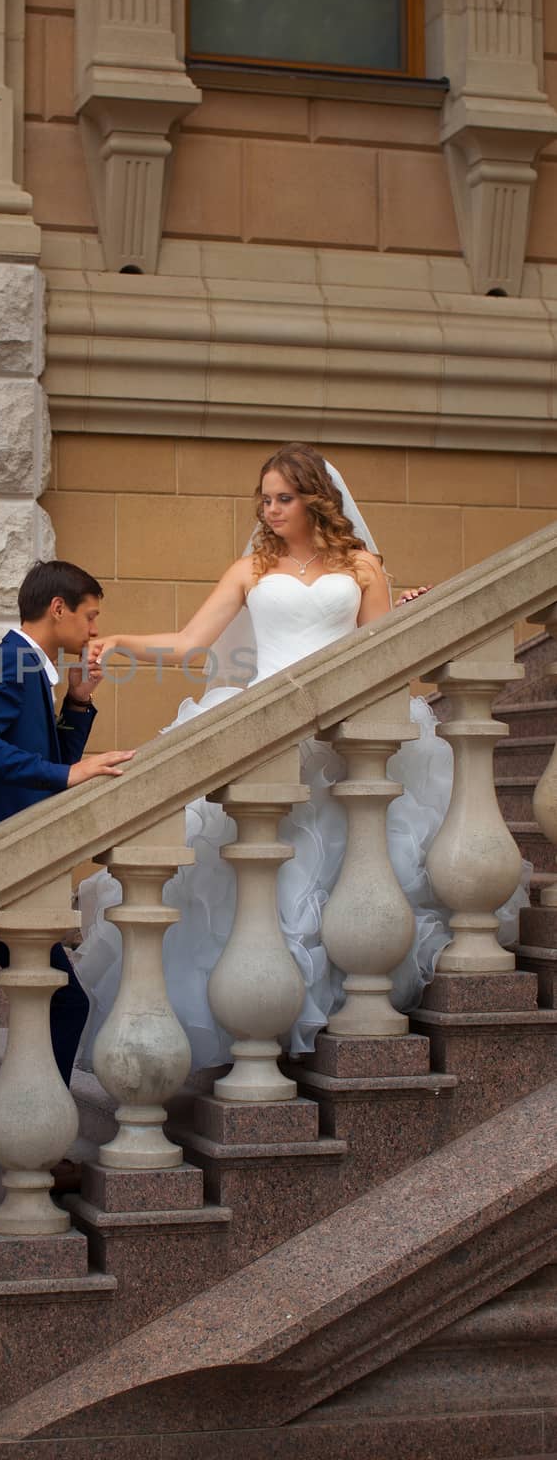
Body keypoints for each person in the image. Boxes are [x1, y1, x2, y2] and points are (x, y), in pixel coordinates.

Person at [76, 442, 525, 1070]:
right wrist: (120, 640)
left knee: (344, 866)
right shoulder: (251, 570)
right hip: (267, 726)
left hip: (341, 735)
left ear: (315, 498)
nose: (271, 509)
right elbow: (188, 644)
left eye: (283, 497)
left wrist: (408, 618)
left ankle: (336, 1006)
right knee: (262, 870)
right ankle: (257, 1016)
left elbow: (378, 654)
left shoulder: (365, 567)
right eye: (264, 499)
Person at [0, 559, 133, 1238]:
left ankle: (26, 1134)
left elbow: (34, 767)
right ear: (60, 609)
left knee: (40, 1008)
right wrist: (65, 770)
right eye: (91, 614)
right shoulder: (7, 665)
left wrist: (78, 704)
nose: (96, 627)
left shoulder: (32, 672)